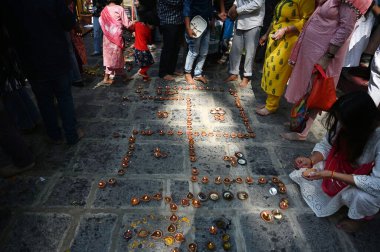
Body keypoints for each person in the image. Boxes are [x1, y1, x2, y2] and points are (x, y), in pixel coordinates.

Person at [282, 0, 373, 141]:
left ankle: (303, 132)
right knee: (306, 87)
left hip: (325, 53)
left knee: (316, 90)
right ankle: (298, 122)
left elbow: (346, 28)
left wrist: (328, 56)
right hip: (313, 49)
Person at [290, 92, 380, 233]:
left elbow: (376, 184)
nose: (340, 126)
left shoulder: (377, 138)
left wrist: (332, 174)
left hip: (363, 177)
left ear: (360, 125)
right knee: (310, 170)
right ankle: (337, 195)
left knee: (365, 198)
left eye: (344, 124)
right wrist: (311, 160)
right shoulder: (345, 122)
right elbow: (327, 145)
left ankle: (357, 218)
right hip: (340, 165)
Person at [3, 0, 83, 145]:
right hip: (56, 56)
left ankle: (54, 135)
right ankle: (71, 134)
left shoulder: (10, 4)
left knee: (44, 101)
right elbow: (68, 22)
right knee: (64, 97)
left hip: (32, 61)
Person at [255, 0, 315, 115]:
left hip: (288, 40)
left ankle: (271, 106)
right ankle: (270, 102)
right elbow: (276, 18)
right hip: (275, 38)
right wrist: (266, 34)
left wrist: (285, 30)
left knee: (277, 71)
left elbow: (307, 21)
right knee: (269, 68)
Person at [224, 0, 265, 88]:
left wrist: (237, 10)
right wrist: (234, 5)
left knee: (250, 52)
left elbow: (257, 4)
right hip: (240, 21)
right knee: (235, 49)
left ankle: (247, 76)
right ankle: (233, 73)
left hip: (253, 22)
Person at [100, 0, 133, 84]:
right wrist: (135, 22)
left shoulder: (104, 10)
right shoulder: (119, 9)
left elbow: (101, 22)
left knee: (109, 57)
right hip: (116, 37)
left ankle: (120, 76)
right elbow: (127, 24)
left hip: (107, 38)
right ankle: (108, 77)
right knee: (118, 57)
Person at [183, 0, 214, 85]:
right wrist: (188, 28)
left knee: (204, 52)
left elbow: (210, 6)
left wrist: (212, 20)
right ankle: (187, 73)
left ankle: (197, 73)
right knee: (194, 51)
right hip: (194, 24)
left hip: (205, 24)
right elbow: (186, 10)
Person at [157, 0, 184, 81]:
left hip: (178, 21)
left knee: (176, 48)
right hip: (168, 22)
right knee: (168, 48)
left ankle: (171, 70)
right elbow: (176, 2)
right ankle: (163, 73)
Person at [131, 11, 158, 82]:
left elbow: (131, 27)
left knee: (143, 64)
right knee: (150, 63)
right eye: (152, 25)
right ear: (148, 23)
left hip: (137, 49)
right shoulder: (148, 30)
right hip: (144, 50)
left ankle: (145, 77)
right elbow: (149, 41)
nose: (153, 27)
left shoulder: (137, 25)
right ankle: (141, 72)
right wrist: (151, 43)